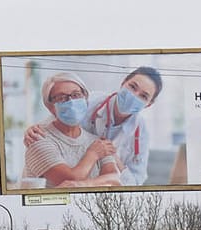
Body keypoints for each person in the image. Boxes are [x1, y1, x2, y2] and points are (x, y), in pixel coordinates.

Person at [23, 66, 161, 187]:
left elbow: (127, 182)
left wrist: (109, 158)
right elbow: (59, 117)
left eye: (143, 96)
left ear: (149, 104)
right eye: (132, 87)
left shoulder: (140, 133)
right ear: (123, 82)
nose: (134, 96)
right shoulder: (89, 102)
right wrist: (34, 129)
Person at [22, 72, 122, 188]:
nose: (71, 102)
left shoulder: (97, 141)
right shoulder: (37, 139)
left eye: (76, 95)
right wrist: (93, 154)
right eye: (61, 98)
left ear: (86, 99)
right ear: (50, 107)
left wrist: (84, 184)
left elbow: (114, 180)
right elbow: (68, 181)